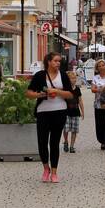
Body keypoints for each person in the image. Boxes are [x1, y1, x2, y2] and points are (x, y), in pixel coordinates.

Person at [26, 51, 74, 183]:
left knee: (54, 142)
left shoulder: (63, 75)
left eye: (59, 61)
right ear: (48, 62)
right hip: (43, 111)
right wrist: (40, 95)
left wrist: (57, 91)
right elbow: (29, 92)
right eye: (55, 61)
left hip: (59, 111)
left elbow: (70, 94)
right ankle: (45, 168)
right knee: (42, 141)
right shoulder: (39, 76)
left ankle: (54, 172)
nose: (58, 63)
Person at [89, 60, 105, 150]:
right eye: (99, 66)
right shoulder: (95, 77)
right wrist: (101, 89)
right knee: (100, 123)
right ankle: (102, 141)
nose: (102, 67)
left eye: (103, 65)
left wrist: (101, 88)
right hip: (98, 104)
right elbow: (92, 89)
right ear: (97, 68)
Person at [63, 65, 85, 153]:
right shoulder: (65, 89)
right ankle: (65, 141)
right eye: (72, 78)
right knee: (66, 128)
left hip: (75, 111)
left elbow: (80, 100)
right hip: (66, 112)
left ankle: (72, 146)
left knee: (74, 130)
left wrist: (82, 111)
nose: (74, 80)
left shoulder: (77, 90)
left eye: (74, 78)